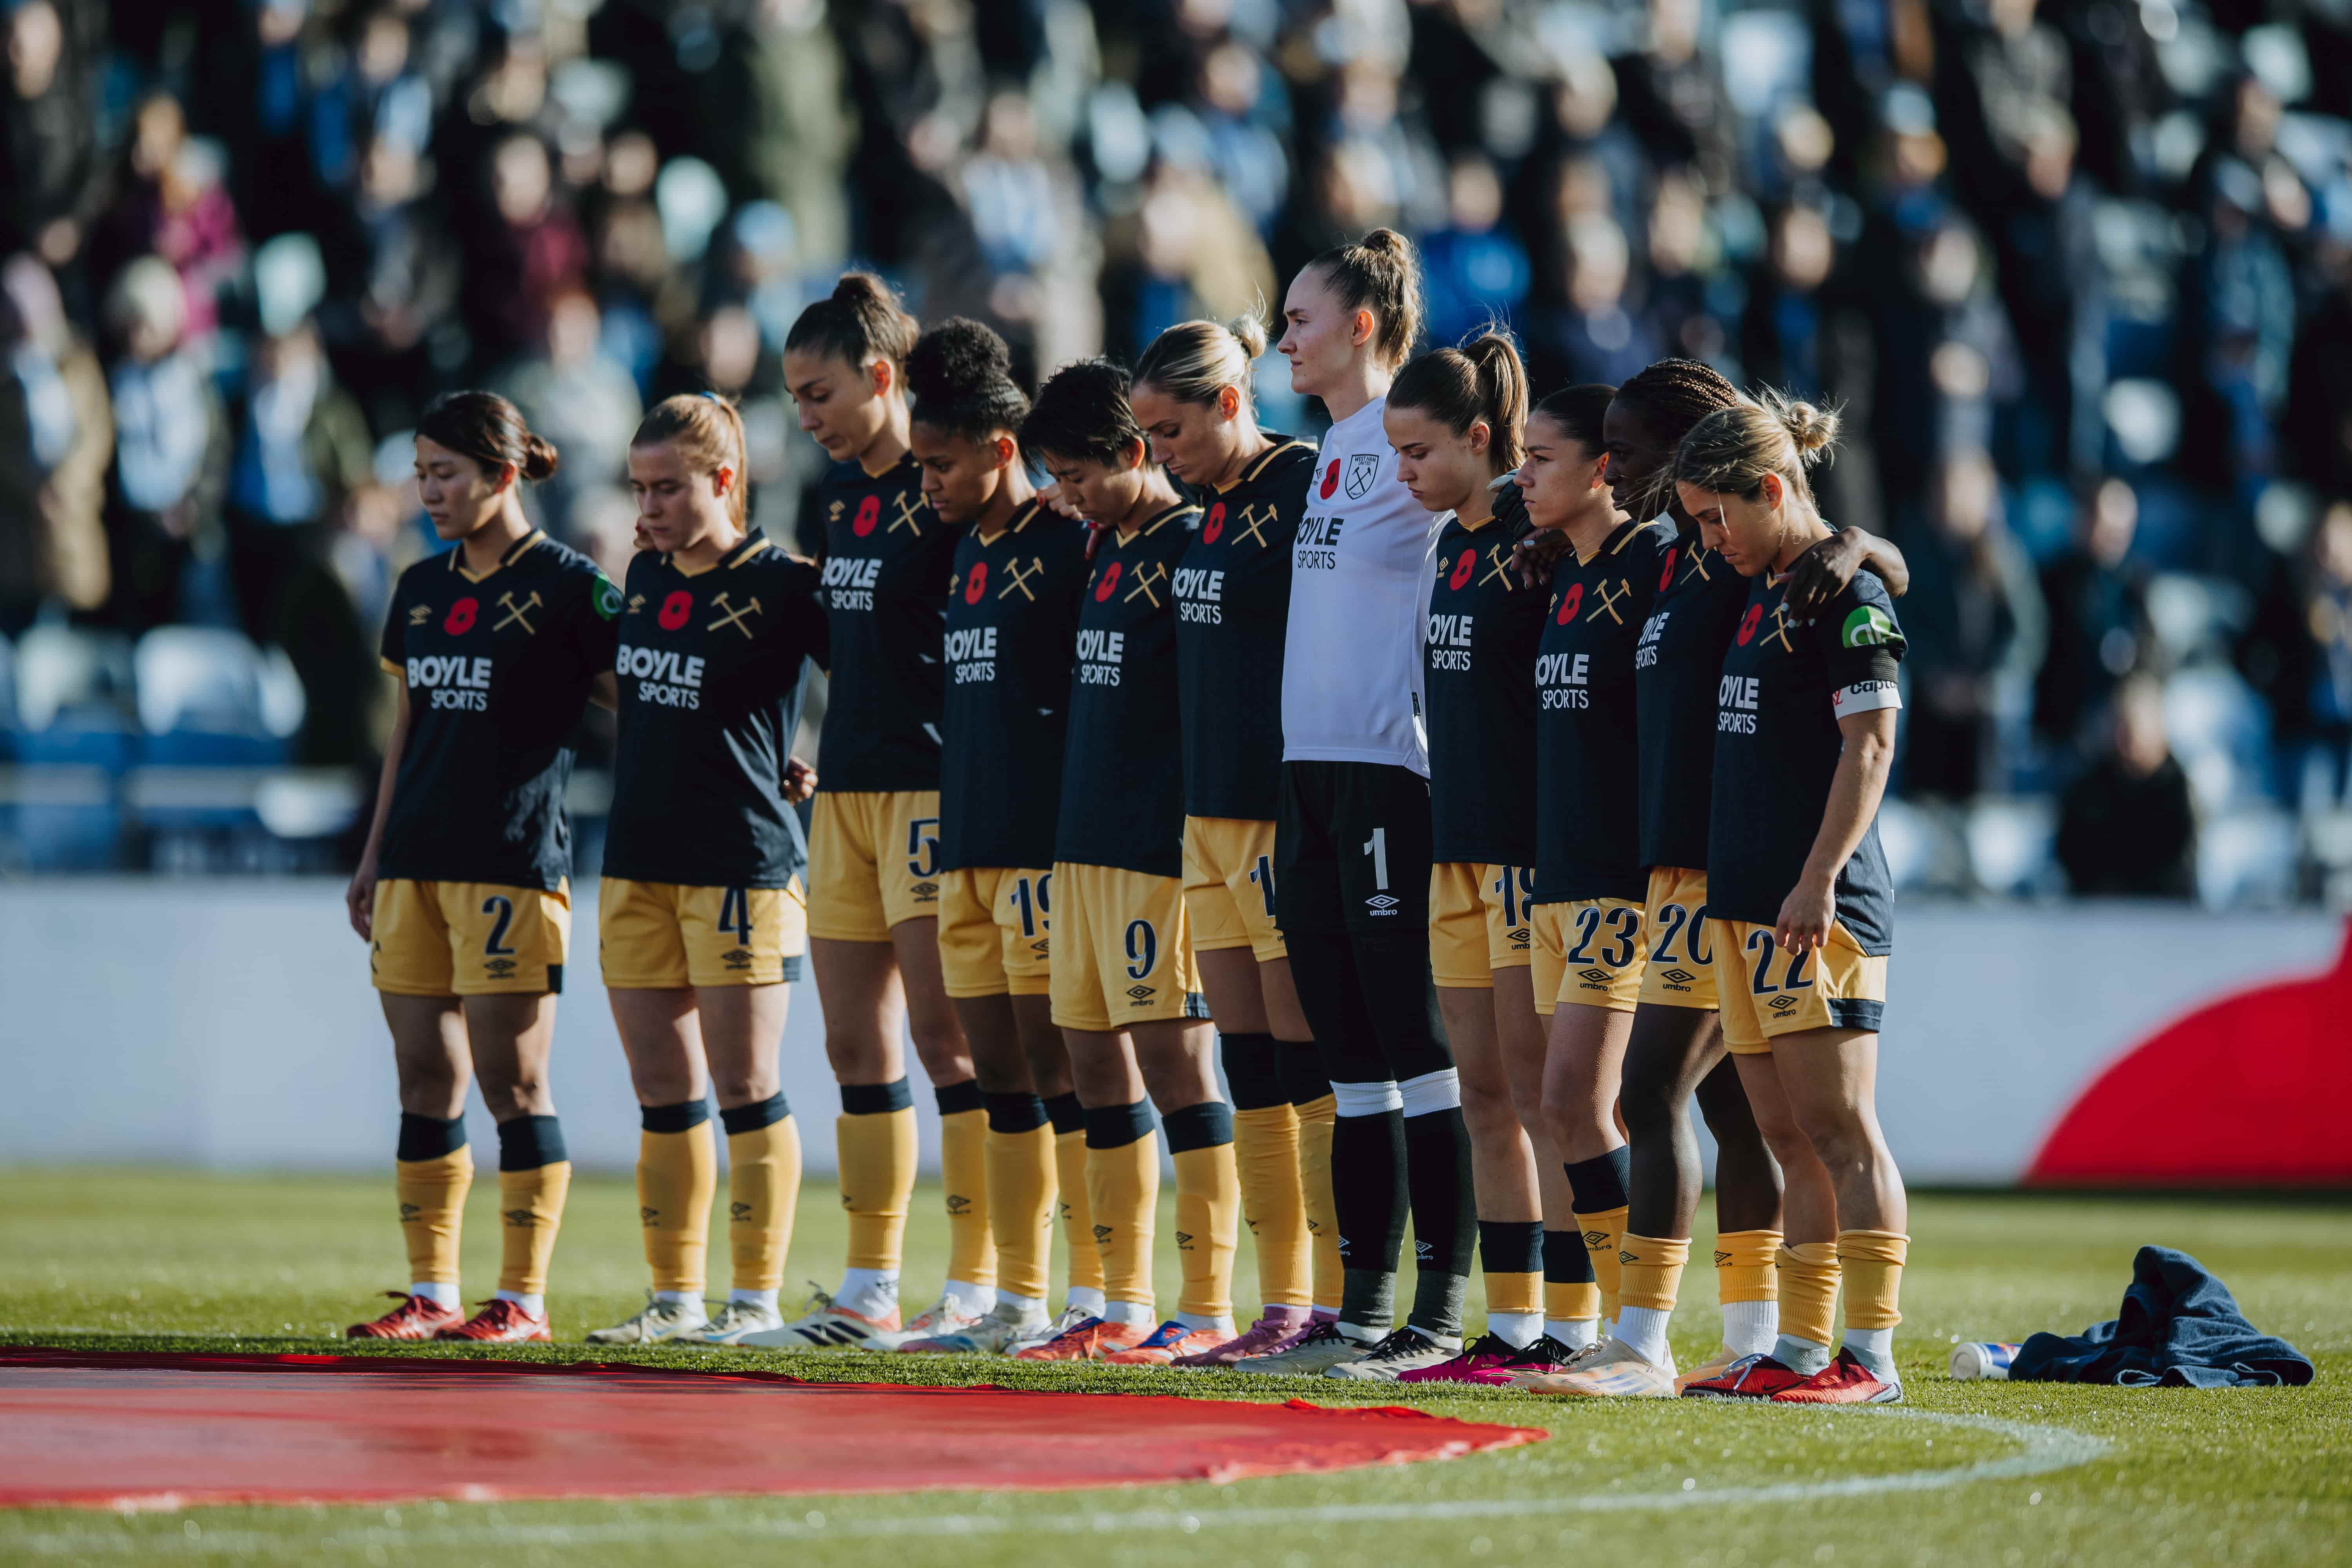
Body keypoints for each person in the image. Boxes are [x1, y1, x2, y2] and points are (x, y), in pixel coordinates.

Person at [1529, 364, 1904, 1400]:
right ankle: (1774, 1341)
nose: (1623, 473)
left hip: (1755, 884)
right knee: (1764, 1120)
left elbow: (1870, 620)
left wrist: (1858, 542)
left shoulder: (1780, 567)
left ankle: (1712, 1341)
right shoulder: (1703, 564)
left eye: (1637, 454)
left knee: (1678, 1097)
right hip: (1713, 881)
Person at [1237, 230, 1479, 1381]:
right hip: (1306, 774)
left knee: (1413, 1045)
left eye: (1299, 316)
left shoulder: (1411, 443)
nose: (1283, 334)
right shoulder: (1326, 450)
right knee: (1345, 1060)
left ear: (1362, 328)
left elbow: (1490, 503)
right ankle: (1359, 1313)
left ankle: (1435, 1316)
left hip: (1388, 772)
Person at [344, 392, 614, 1344]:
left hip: (512, 863)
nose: (427, 491)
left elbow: (647, 702)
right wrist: (374, 852)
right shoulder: (418, 587)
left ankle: (525, 1299)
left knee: (516, 1084)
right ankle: (431, 1293)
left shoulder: (575, 587)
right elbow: (406, 729)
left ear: (502, 474)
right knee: (424, 1077)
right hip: (416, 860)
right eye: (420, 472)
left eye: (444, 472)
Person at [1673, 393, 1912, 1404]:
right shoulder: (1771, 582)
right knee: (1783, 1133)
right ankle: (1804, 1347)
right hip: (1745, 905)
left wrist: (1817, 878)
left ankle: (1873, 1356)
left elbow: (1872, 743)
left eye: (1716, 516)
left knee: (1841, 1127)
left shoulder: (1845, 594)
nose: (1706, 539)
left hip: (1816, 904)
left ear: (1771, 489)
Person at [775, 274, 991, 1349]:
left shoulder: (953, 485)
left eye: (818, 395)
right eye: (795, 401)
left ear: (880, 376)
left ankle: (977, 1281)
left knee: (948, 1041)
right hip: (847, 795)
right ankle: (867, 1289)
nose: (805, 419)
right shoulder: (838, 503)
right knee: (857, 1048)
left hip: (931, 792)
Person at [1010, 358, 1241, 1365]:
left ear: (1135, 454)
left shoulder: (1191, 545)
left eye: (1074, 474)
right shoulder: (1102, 548)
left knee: (1179, 1070)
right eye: (1053, 478)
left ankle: (1208, 1303)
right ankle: (1115, 1302)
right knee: (1094, 1071)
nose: (1064, 495)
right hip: (1082, 849)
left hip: (1157, 853)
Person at [584, 394, 828, 1347]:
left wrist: (819, 760)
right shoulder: (642, 576)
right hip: (638, 859)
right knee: (663, 1093)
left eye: (666, 487)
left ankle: (755, 1301)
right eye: (638, 487)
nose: (646, 507)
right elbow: (635, 688)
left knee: (747, 1088)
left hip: (743, 863)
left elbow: (885, 680)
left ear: (724, 481)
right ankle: (675, 1298)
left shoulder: (786, 584)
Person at [1130, 315, 1337, 1366]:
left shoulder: (1304, 486)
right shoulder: (1201, 516)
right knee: (1247, 1062)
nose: (1160, 456)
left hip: (1276, 813)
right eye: (1147, 438)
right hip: (1205, 820)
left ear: (1228, 404)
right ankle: (1280, 1304)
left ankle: (1343, 1300)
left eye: (1171, 431)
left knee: (1307, 1062)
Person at [893, 318, 1101, 1354]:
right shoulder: (958, 553)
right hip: (963, 850)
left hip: (1043, 854)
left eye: (939, 464)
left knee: (1067, 1076)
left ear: (1002, 450)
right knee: (1000, 1082)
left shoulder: (1073, 541)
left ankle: (1103, 1299)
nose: (923, 481)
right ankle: (1017, 1301)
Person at [1376, 333, 1558, 1384]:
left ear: (1480, 440)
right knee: (1485, 1096)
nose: (1405, 475)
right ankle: (1513, 1323)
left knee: (1545, 1100)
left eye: (1419, 453)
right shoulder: (1449, 548)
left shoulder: (1538, 543)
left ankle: (1586, 1325)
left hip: (1527, 860)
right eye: (1396, 456)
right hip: (1455, 853)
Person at [2054, 674, 2196, 898]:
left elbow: (2178, 866)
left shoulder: (2178, 791)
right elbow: (2072, 855)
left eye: (2134, 724)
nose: (2126, 735)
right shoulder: (2089, 791)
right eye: (2120, 723)